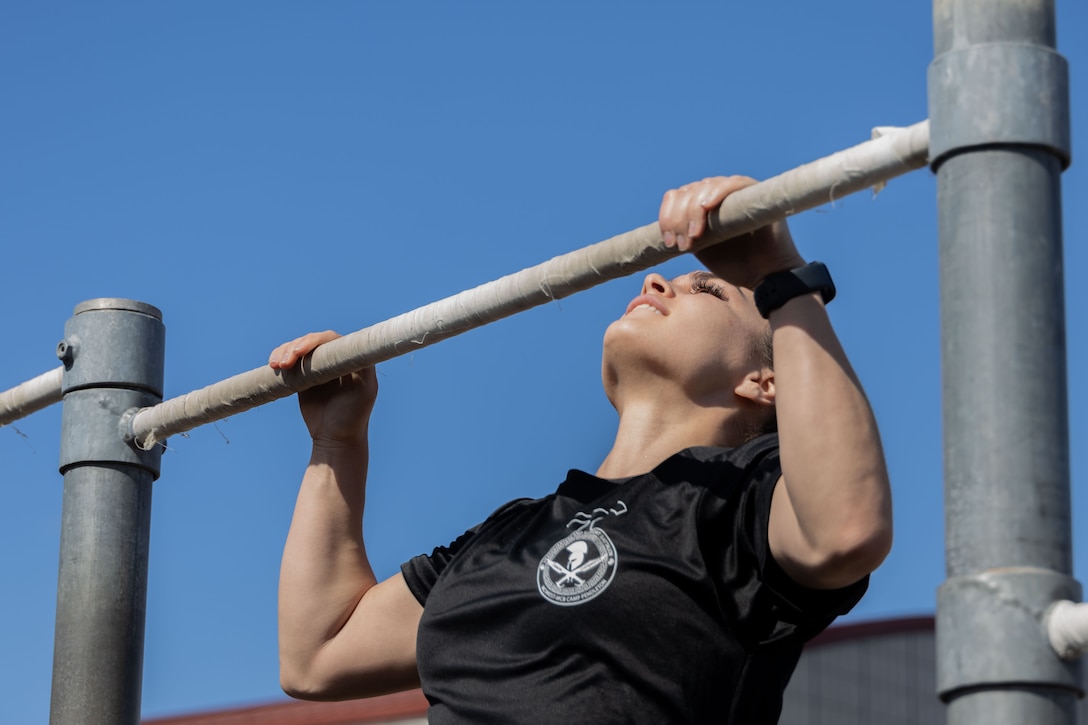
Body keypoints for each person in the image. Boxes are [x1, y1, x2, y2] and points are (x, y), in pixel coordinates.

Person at [270, 176, 893, 723]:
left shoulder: (741, 496)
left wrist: (778, 278)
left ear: (766, 380)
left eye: (708, 290)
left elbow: (844, 528)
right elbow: (318, 653)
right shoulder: (508, 532)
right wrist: (338, 442)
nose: (656, 279)